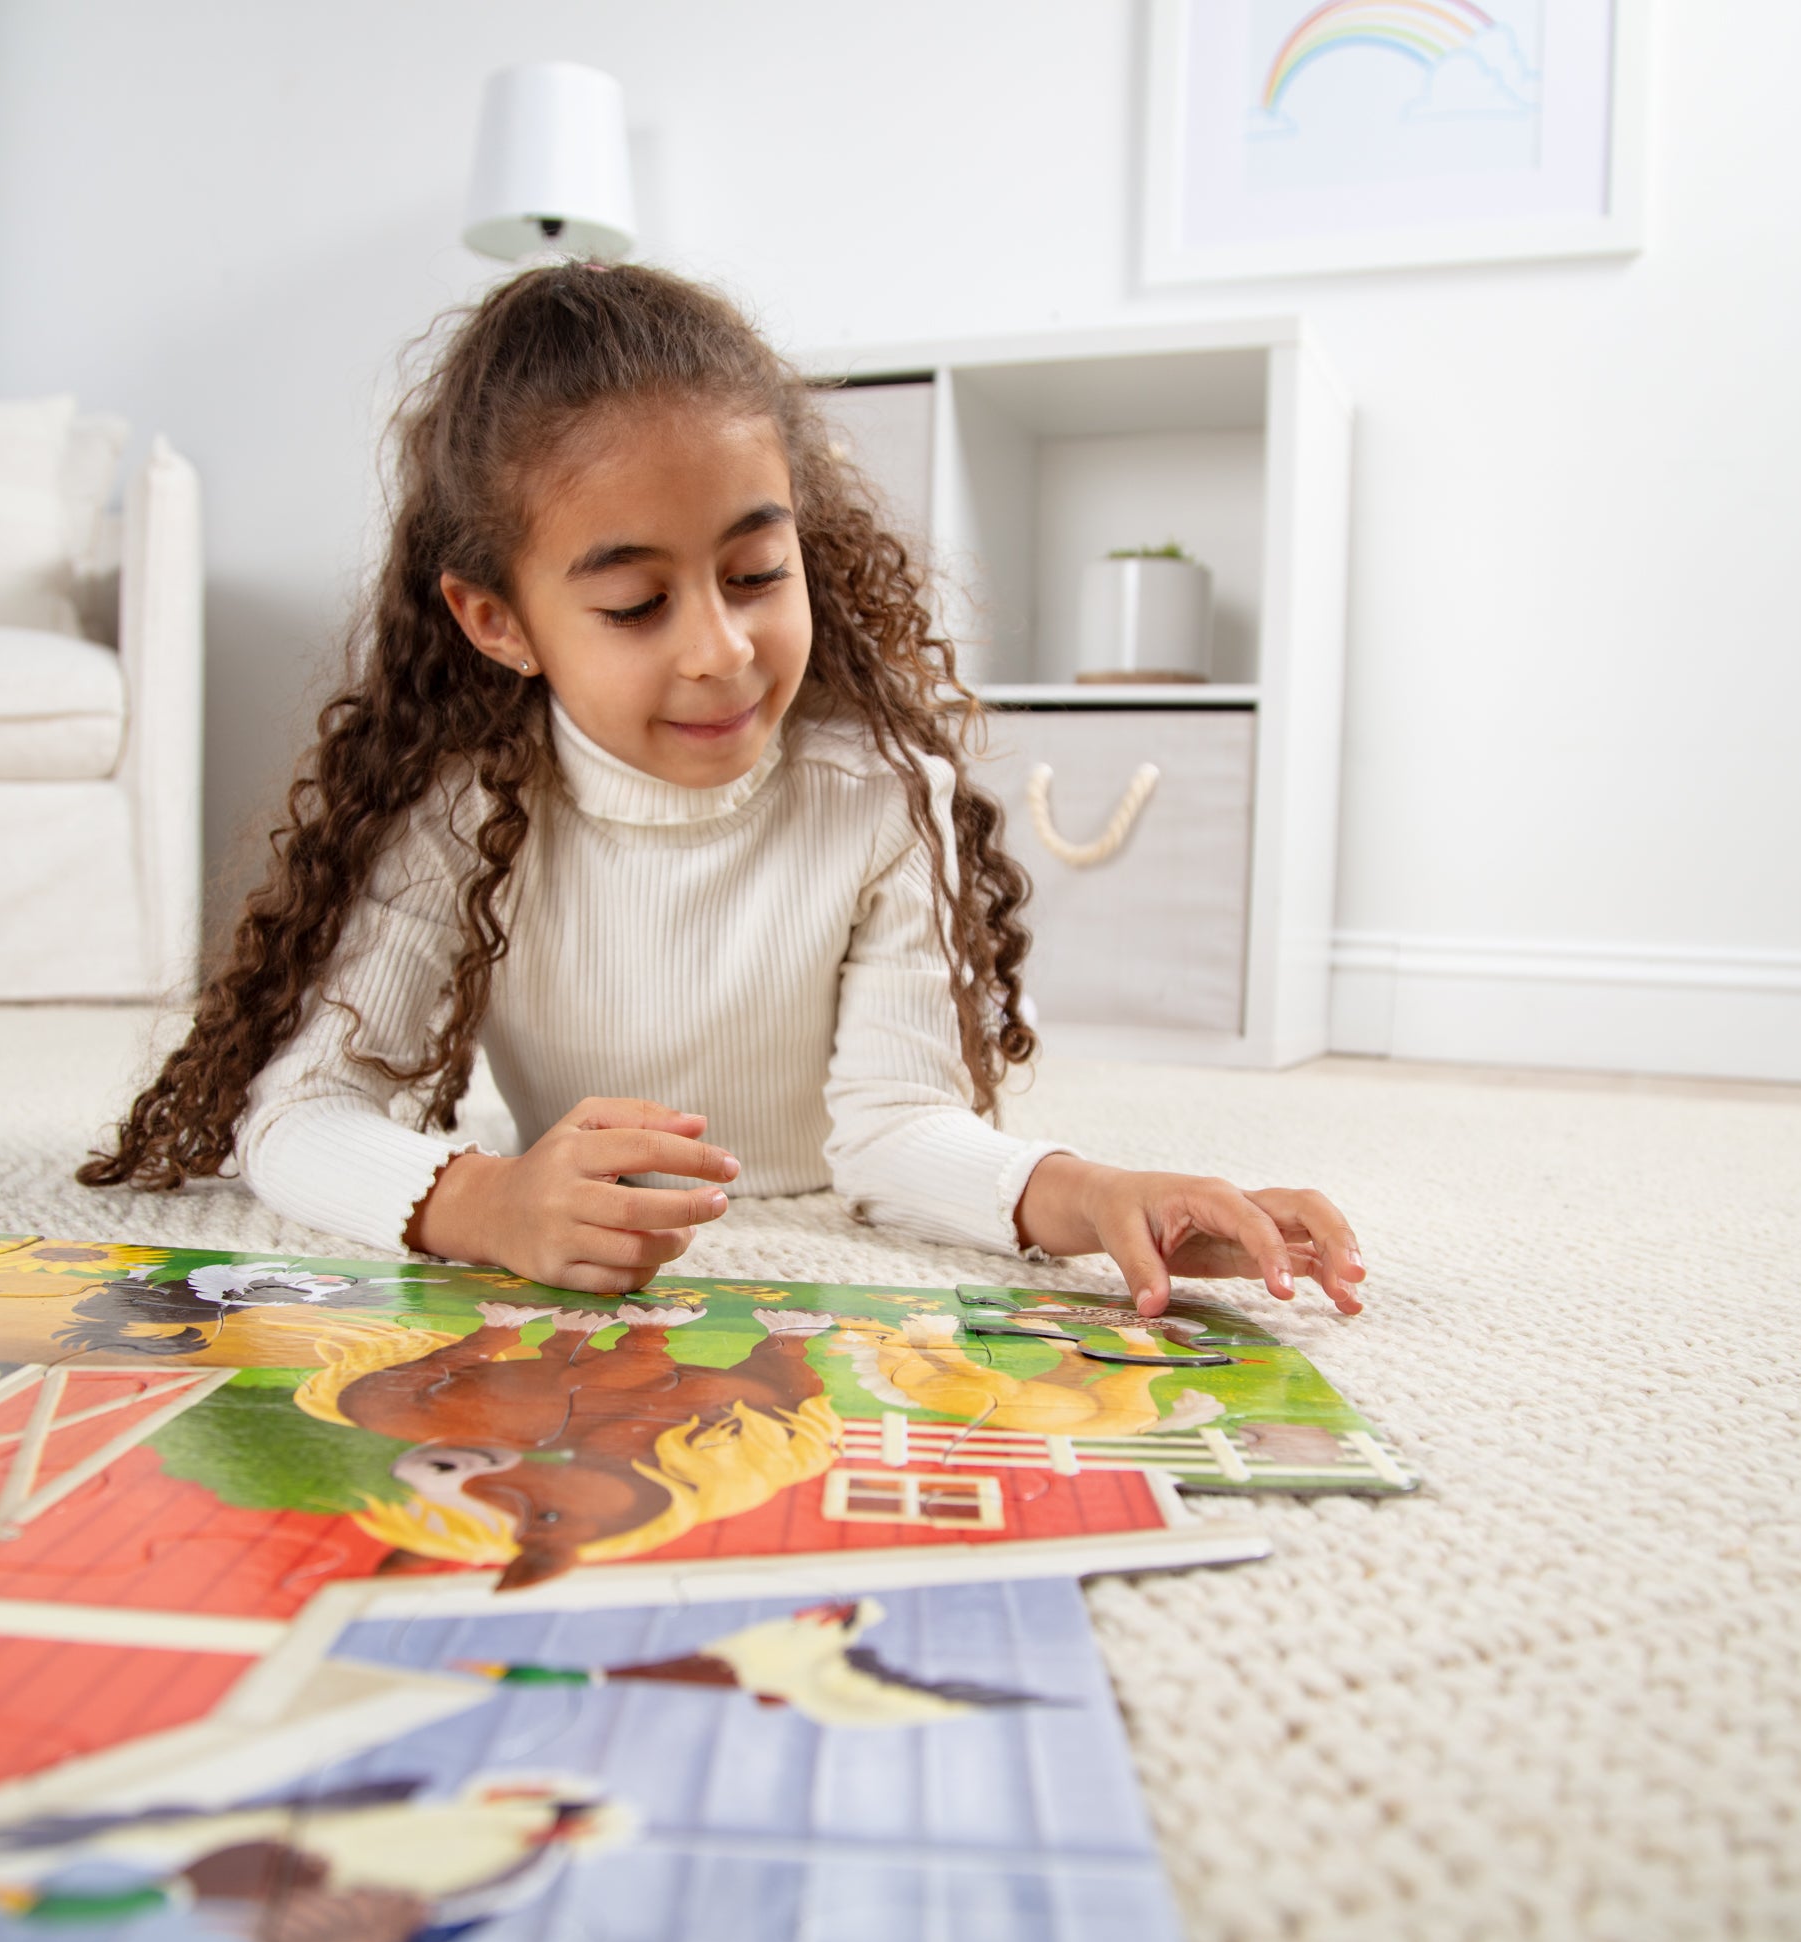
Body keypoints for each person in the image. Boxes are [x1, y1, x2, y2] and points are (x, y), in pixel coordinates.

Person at [81, 262, 1365, 1319]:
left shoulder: (879, 797)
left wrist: (1094, 1199)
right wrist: (494, 1204)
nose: (718, 648)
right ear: (497, 619)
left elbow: (893, 1131)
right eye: (635, 603)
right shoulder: (470, 815)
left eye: (755, 572)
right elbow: (298, 1117)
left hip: (822, 1236)